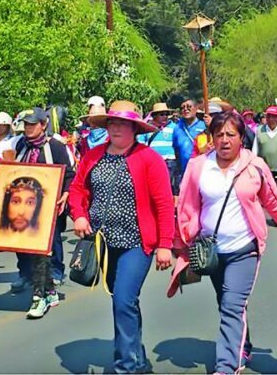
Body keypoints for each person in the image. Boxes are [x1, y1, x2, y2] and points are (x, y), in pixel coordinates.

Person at [168, 111, 277, 374]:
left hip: (245, 250)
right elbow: (185, 205)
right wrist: (179, 242)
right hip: (211, 251)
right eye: (218, 134)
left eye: (231, 134)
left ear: (241, 137)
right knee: (227, 302)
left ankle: (226, 365)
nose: (224, 140)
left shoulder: (255, 165)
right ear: (212, 138)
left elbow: (274, 201)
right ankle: (244, 345)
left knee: (232, 305)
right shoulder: (198, 166)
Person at [70, 100, 174, 373]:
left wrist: (165, 244)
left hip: (137, 243)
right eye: (112, 123)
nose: (115, 128)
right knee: (124, 300)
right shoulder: (93, 156)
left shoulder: (149, 159)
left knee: (123, 300)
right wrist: (79, 214)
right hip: (103, 243)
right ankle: (136, 358)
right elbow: (78, 189)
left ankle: (125, 367)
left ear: (133, 129)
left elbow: (163, 203)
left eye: (122, 124)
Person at [13, 108, 74, 318]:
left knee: (43, 250)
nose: (28, 128)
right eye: (26, 124)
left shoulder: (56, 147)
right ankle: (49, 290)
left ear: (43, 124)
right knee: (30, 250)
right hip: (24, 207)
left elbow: (69, 173)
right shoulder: (20, 145)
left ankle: (39, 297)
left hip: (48, 207)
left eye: (32, 124)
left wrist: (66, 193)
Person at [137, 103, 178, 193]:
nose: (165, 117)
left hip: (169, 161)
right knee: (153, 185)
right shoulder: (147, 127)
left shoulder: (174, 127)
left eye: (167, 114)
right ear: (155, 116)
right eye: (162, 114)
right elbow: (141, 143)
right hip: (152, 161)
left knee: (167, 185)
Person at [173, 98, 207, 184]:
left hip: (201, 171)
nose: (185, 109)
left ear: (196, 109)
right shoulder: (177, 128)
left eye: (189, 107)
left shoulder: (204, 126)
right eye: (182, 108)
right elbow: (176, 150)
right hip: (184, 173)